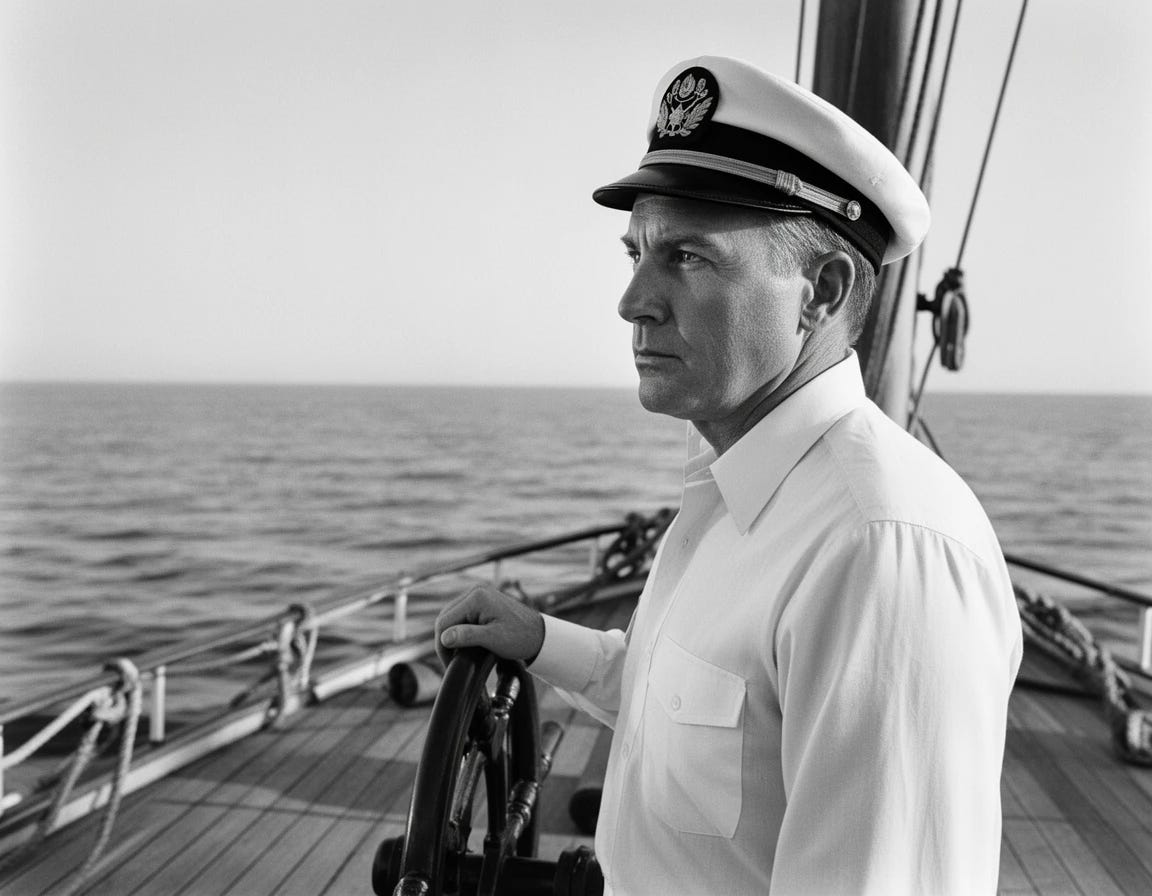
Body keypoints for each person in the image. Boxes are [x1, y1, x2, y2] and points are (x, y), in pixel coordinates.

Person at [435, 56, 1022, 895]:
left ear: (821, 290)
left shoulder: (881, 554)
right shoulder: (735, 481)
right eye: (637, 251)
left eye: (690, 259)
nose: (633, 298)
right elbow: (696, 708)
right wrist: (542, 643)